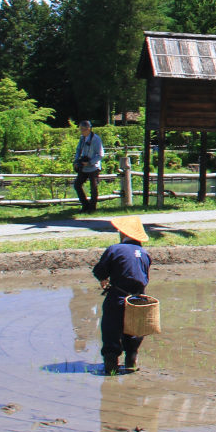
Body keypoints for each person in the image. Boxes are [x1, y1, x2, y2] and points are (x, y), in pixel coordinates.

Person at [91, 216, 151, 375]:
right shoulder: (144, 253)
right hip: (138, 298)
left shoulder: (114, 249)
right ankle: (131, 362)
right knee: (134, 330)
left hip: (118, 296)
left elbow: (99, 270)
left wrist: (103, 279)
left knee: (111, 329)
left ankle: (111, 366)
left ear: (123, 232)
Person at [73, 121, 105, 213]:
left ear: (88, 129)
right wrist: (76, 161)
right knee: (77, 185)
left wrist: (90, 162)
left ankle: (92, 208)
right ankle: (85, 205)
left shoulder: (96, 139)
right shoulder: (82, 138)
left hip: (93, 167)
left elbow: (100, 154)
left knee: (93, 187)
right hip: (83, 167)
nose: (81, 131)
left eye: (83, 129)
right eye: (80, 129)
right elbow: (78, 150)